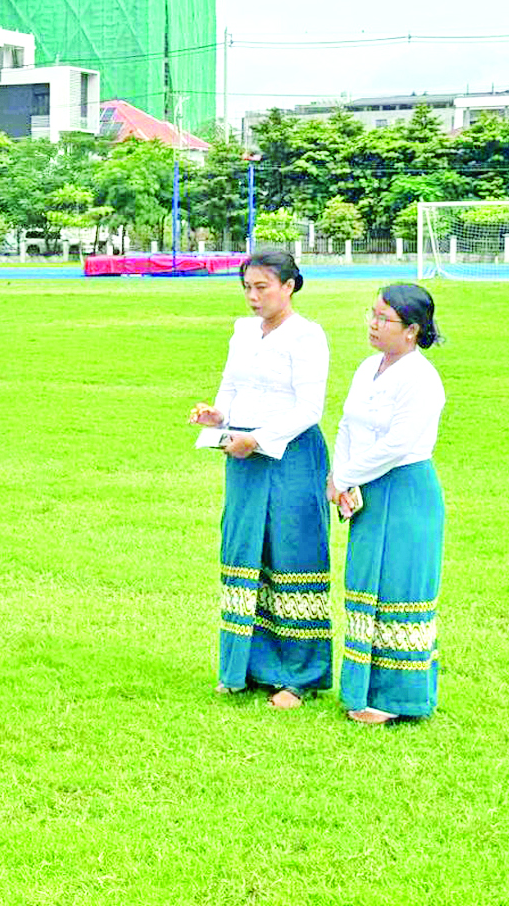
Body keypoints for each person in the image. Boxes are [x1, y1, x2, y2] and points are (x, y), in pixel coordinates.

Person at [189, 250, 331, 709]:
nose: (253, 296)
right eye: (247, 287)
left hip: (290, 456)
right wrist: (217, 416)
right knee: (244, 550)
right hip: (242, 455)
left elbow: (309, 409)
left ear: (289, 286)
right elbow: (232, 387)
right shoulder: (243, 330)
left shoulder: (307, 336)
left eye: (262, 287)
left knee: (291, 553)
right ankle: (246, 667)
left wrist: (259, 439)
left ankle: (299, 676)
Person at [328, 284, 446, 725]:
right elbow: (348, 423)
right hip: (367, 489)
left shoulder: (422, 379)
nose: (373, 325)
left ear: (412, 330)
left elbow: (398, 444)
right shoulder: (367, 368)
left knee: (398, 587)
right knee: (366, 584)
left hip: (406, 492)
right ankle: (361, 688)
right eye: (371, 314)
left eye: (384, 319)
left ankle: (399, 699)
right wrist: (339, 474)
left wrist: (347, 476)